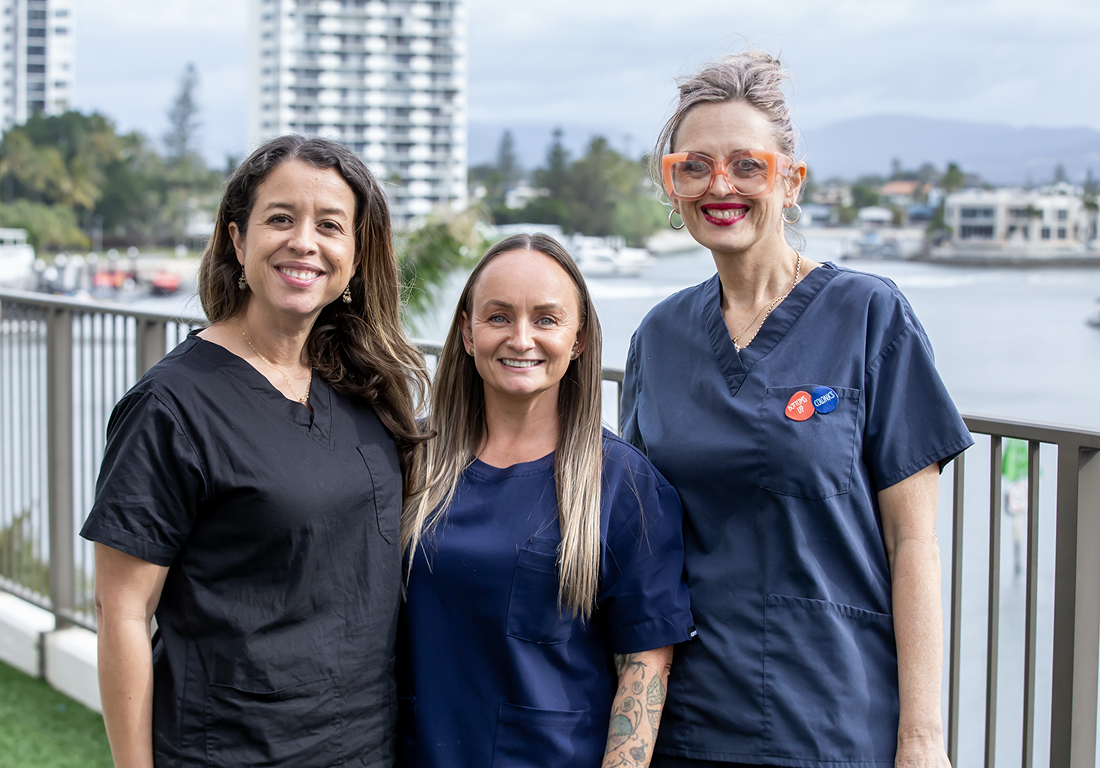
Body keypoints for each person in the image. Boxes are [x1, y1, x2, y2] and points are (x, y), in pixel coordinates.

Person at [621, 50, 974, 768]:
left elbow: (915, 545)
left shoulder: (871, 316)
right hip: (689, 724)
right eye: (694, 166)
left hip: (833, 721)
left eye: (747, 165)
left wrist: (923, 739)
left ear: (790, 181)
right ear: (674, 185)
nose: (721, 186)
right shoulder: (659, 339)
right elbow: (638, 545)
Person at [81, 135, 429, 768]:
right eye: (279, 219)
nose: (304, 241)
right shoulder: (172, 406)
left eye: (330, 225)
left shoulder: (361, 386)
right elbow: (123, 610)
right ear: (237, 243)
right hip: (234, 748)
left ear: (353, 256)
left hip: (365, 745)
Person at [397, 233, 694, 768]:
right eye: (498, 317)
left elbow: (644, 664)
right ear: (467, 332)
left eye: (547, 319)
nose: (521, 338)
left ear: (578, 339)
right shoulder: (409, 462)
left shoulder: (622, 484)